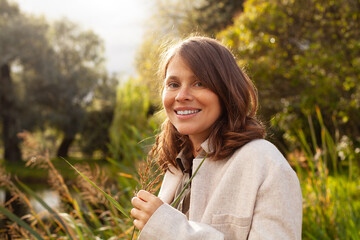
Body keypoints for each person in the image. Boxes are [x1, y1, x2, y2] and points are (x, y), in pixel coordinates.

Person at [131, 36, 303, 240]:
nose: (181, 95)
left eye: (199, 83)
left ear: (226, 90)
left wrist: (169, 229)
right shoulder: (177, 166)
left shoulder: (265, 164)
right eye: (174, 84)